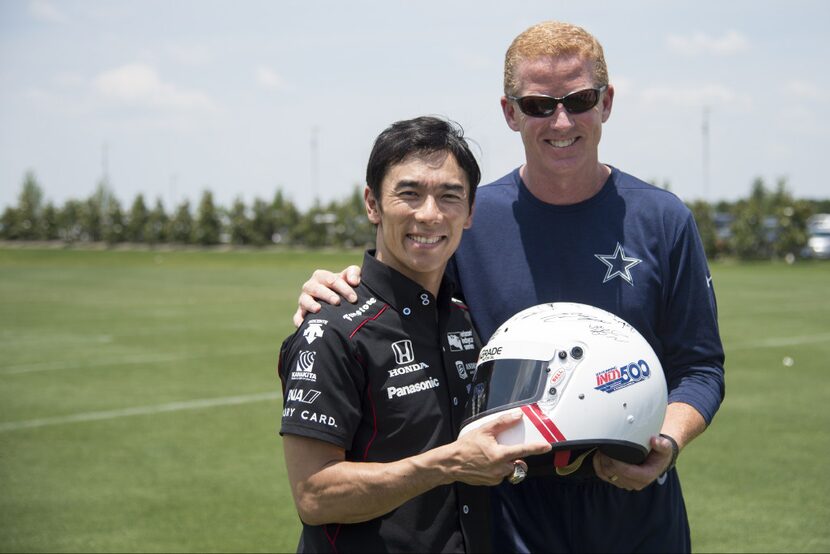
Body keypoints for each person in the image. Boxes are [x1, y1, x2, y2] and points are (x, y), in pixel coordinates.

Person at [292, 21, 726, 553]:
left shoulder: (663, 219)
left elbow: (701, 367)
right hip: (507, 510)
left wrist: (670, 439)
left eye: (580, 99)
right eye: (540, 105)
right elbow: (402, 290)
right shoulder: (470, 219)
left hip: (634, 501)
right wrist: (336, 290)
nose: (561, 120)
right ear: (510, 112)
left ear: (607, 102)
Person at [278, 116, 551, 553]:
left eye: (449, 196)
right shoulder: (331, 330)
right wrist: (448, 464)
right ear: (372, 203)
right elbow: (314, 495)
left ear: (470, 212)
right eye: (409, 193)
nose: (430, 214)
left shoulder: (468, 320)